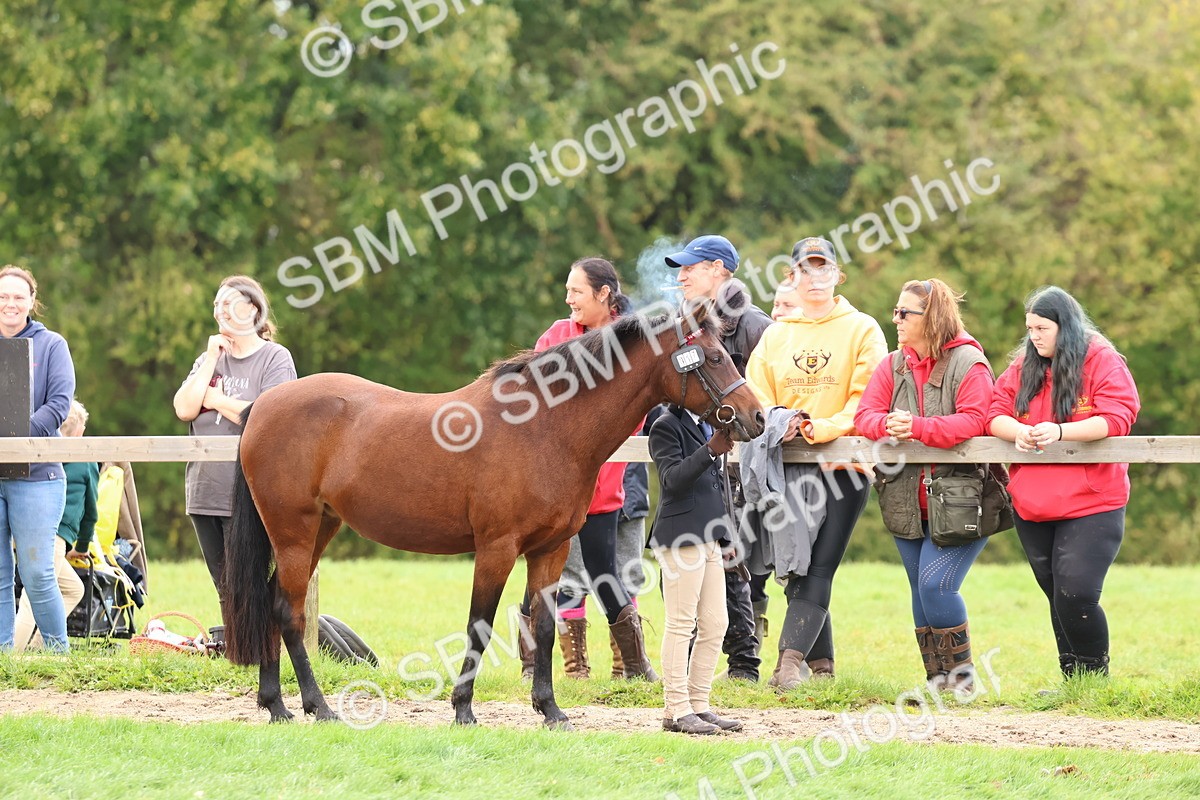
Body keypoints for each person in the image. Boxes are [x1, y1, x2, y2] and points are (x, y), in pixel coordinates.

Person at [745, 237, 887, 688]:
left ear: (837, 275)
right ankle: (822, 669)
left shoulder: (863, 329)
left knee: (820, 565)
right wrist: (777, 422)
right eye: (806, 270)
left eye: (823, 268)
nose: (815, 278)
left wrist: (816, 428)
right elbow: (757, 390)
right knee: (794, 563)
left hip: (843, 465)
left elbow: (866, 400)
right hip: (785, 464)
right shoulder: (776, 333)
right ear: (792, 276)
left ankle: (788, 666)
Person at [988, 286, 1139, 678]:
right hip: (1032, 504)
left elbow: (1118, 416)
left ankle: (1094, 678)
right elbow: (994, 410)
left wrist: (1060, 431)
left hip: (1092, 501)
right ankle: (1073, 680)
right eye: (1030, 328)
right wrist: (1014, 433)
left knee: (1077, 593)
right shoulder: (1025, 365)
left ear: (1065, 326)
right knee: (1056, 596)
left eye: (1042, 328)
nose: (1034, 336)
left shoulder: (1101, 360)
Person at [517, 257, 657, 681]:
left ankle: (634, 667)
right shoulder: (558, 335)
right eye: (567, 290)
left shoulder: (633, 341)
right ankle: (536, 666)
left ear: (604, 294)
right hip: (553, 482)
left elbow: (632, 412)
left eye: (576, 291)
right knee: (541, 570)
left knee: (605, 572)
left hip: (606, 478)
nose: (568, 299)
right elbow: (534, 397)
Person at [854, 279, 996, 691]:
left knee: (936, 585)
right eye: (895, 311)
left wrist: (917, 427)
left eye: (904, 313)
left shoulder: (970, 363)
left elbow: (975, 420)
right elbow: (865, 415)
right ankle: (938, 681)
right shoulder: (893, 363)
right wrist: (886, 425)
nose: (894, 319)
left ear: (930, 318)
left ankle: (963, 681)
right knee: (920, 590)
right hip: (904, 496)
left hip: (963, 497)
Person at [666, 234, 772, 682]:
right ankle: (704, 661)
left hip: (741, 458)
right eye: (681, 267)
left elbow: (767, 390)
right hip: (696, 450)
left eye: (692, 266)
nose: (682, 274)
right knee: (697, 556)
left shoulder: (754, 325)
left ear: (719, 270)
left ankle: (745, 663)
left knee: (736, 557)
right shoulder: (681, 323)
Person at [173, 275, 296, 625]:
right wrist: (211, 359)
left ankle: (265, 660)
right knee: (225, 588)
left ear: (252, 309)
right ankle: (240, 654)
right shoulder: (209, 358)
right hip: (204, 488)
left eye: (228, 304)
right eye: (216, 305)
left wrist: (215, 399)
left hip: (250, 491)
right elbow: (184, 408)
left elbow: (269, 418)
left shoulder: (275, 358)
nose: (219, 312)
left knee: (252, 584)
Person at [648, 404, 742, 735]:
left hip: (710, 536)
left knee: (716, 623)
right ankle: (676, 709)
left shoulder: (705, 425)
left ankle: (698, 703)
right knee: (681, 624)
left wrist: (726, 534)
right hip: (680, 537)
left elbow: (715, 486)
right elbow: (672, 480)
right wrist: (709, 451)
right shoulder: (665, 426)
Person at [0, 265, 74, 653]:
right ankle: (3, 656)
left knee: (37, 571)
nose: (10, 304)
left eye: (18, 296)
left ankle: (58, 654)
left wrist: (15, 436)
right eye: (3, 296)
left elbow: (59, 405)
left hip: (37, 475)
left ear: (32, 300)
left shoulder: (51, 346)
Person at [12, 402, 93, 651]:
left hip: (30, 527)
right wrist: (81, 545)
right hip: (55, 535)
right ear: (79, 432)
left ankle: (38, 650)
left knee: (73, 588)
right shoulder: (85, 461)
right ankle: (10, 655)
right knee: (31, 598)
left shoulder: (41, 456)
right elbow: (91, 511)